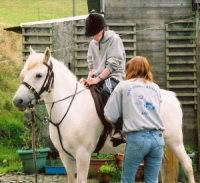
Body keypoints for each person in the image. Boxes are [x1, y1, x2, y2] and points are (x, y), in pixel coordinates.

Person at [104, 56, 165, 183]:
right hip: (157, 138)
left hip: (137, 138)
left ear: (129, 69)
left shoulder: (123, 86)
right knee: (152, 180)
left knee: (127, 180)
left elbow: (110, 116)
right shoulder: (155, 87)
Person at [83, 12, 126, 107]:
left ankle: (115, 120)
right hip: (97, 77)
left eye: (95, 34)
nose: (93, 37)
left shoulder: (114, 39)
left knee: (106, 90)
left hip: (113, 77)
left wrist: (97, 79)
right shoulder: (92, 44)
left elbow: (112, 65)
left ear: (104, 29)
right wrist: (89, 79)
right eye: (91, 35)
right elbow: (91, 65)